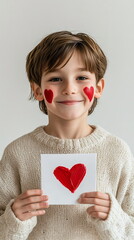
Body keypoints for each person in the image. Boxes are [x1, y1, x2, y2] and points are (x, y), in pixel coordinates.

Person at [0, 31, 134, 240]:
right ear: (38, 91)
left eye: (81, 77)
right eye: (55, 78)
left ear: (98, 87)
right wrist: (14, 218)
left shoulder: (118, 152)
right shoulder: (17, 153)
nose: (70, 88)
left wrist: (113, 217)